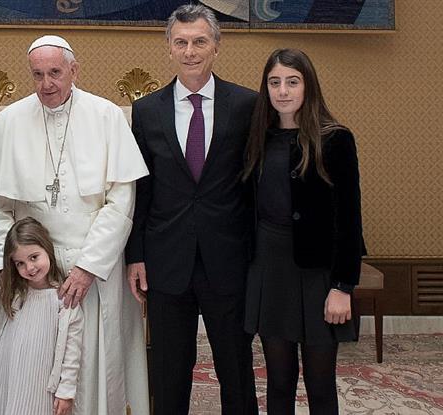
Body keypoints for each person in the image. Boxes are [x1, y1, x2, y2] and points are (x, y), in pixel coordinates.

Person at [0, 35, 151, 415]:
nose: (46, 84)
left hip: (94, 269)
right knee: (33, 378)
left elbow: (121, 202)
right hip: (33, 277)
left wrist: (88, 266)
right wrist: (10, 271)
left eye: (55, 73)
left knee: (92, 374)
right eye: (37, 75)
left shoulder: (106, 116)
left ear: (74, 70)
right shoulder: (9, 122)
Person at [125, 4, 259, 414]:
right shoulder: (147, 110)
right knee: (168, 373)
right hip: (167, 261)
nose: (190, 51)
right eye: (181, 42)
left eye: (199, 41)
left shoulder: (247, 105)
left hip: (229, 259)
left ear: (216, 45)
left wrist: (259, 256)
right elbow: (140, 190)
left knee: (236, 370)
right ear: (168, 47)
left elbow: (254, 187)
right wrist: (136, 255)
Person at [242, 48, 364, 414]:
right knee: (279, 381)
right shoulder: (257, 138)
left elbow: (350, 219)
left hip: (318, 274)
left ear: (308, 86)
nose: (283, 91)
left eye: (292, 82)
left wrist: (342, 287)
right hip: (269, 268)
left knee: (320, 383)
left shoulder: (335, 139)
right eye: (274, 82)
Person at [0, 217, 83, 415]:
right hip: (8, 379)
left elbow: (72, 351)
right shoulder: (15, 295)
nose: (29, 268)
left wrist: (66, 392)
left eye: (34, 257)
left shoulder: (63, 300)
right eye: (20, 263)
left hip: (39, 385)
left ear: (47, 249)